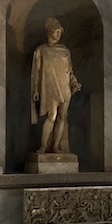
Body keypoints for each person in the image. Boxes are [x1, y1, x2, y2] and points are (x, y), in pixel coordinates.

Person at [31, 18, 81, 153]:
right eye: (56, 31)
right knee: (51, 116)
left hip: (65, 88)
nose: (58, 34)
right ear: (50, 32)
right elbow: (36, 72)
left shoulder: (64, 51)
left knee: (62, 117)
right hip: (50, 87)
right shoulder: (41, 50)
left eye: (60, 32)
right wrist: (35, 89)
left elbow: (69, 71)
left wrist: (74, 82)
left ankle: (56, 146)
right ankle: (43, 146)